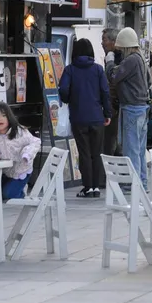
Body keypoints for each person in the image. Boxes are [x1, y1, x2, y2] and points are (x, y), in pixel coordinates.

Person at [0, 103, 40, 254]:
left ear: (9, 117)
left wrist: (27, 155)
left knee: (7, 194)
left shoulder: (20, 132)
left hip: (22, 171)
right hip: (5, 172)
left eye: (3, 115)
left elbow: (35, 142)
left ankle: (21, 191)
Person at [59, 38, 111, 198]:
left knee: (84, 152)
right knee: (97, 152)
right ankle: (96, 186)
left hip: (78, 117)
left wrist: (69, 99)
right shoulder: (98, 70)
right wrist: (107, 113)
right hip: (97, 117)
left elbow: (63, 90)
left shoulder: (70, 70)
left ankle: (87, 186)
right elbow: (105, 92)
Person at [111, 27, 151, 187]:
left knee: (131, 148)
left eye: (120, 49)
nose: (119, 52)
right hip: (142, 108)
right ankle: (142, 181)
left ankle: (132, 184)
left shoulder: (130, 60)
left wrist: (109, 63)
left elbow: (113, 77)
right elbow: (148, 81)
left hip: (132, 108)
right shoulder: (141, 59)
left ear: (125, 47)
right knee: (140, 149)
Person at [101, 28, 121, 155]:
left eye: (104, 40)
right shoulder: (110, 57)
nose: (102, 43)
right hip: (112, 105)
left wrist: (111, 106)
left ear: (113, 42)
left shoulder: (116, 59)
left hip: (115, 106)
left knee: (110, 141)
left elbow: (114, 81)